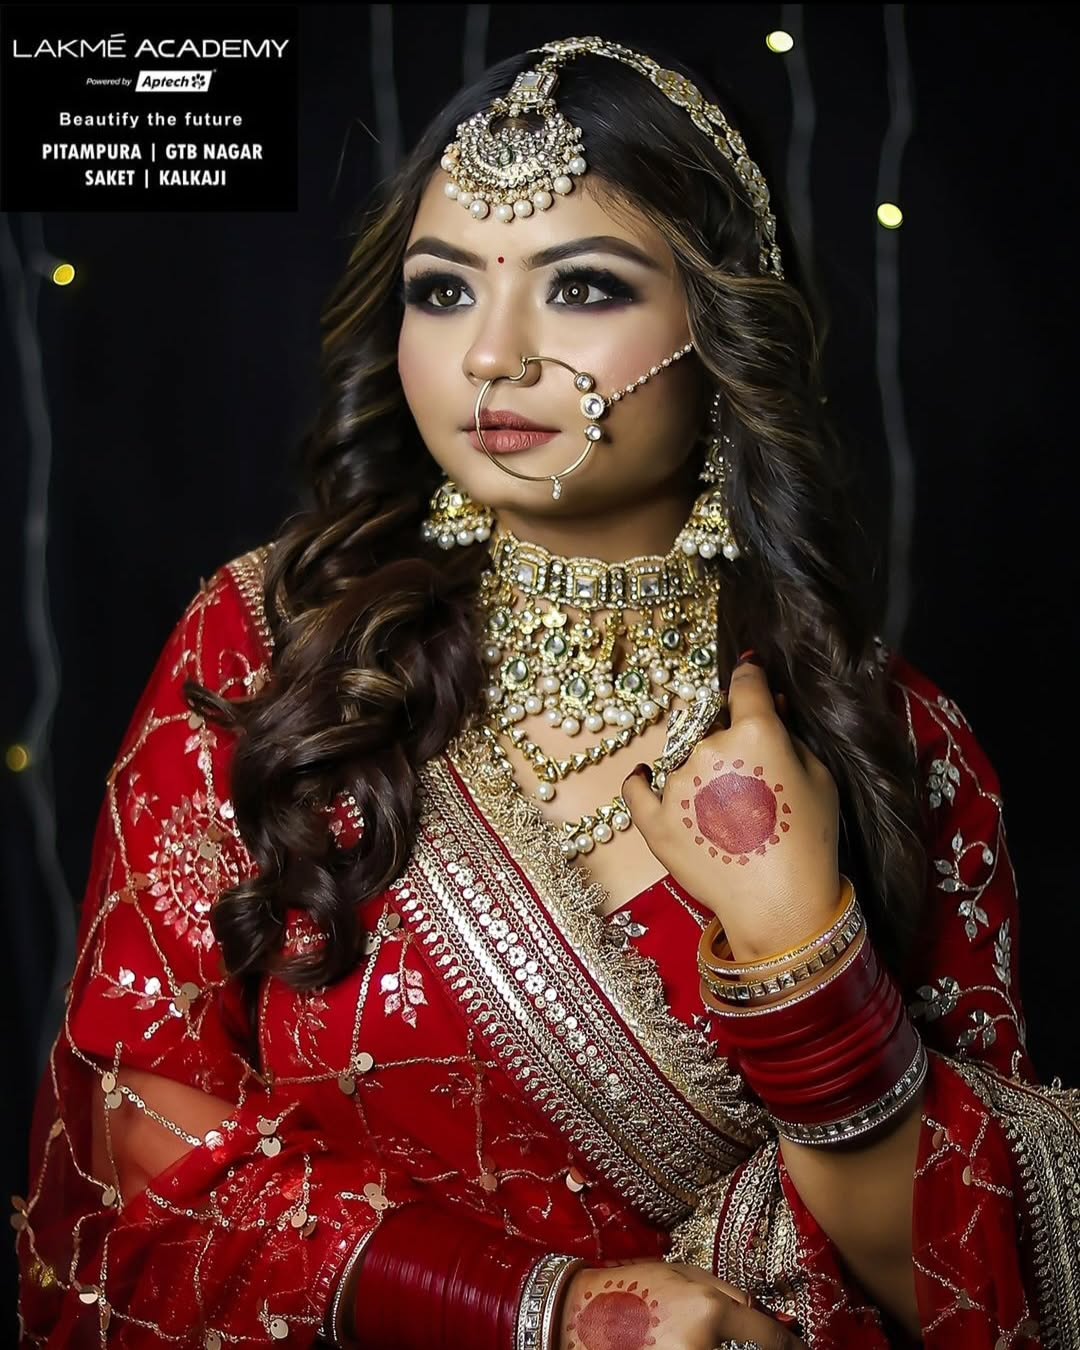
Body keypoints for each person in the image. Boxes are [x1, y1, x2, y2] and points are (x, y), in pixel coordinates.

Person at [16, 33, 1080, 1350]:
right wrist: (553, 1310)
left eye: (581, 286)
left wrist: (802, 947)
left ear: (723, 325)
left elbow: (979, 1283)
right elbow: (138, 1136)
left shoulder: (890, 740)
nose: (491, 356)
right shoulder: (272, 651)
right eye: (443, 289)